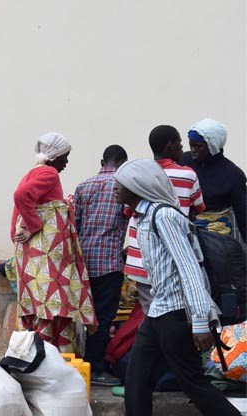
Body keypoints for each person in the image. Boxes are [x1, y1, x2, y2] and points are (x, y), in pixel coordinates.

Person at [113, 157, 247, 416]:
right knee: (136, 382)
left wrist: (200, 321)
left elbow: (189, 268)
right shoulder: (142, 217)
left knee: (194, 384)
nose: (115, 190)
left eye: (119, 185)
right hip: (158, 311)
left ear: (137, 187)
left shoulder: (164, 217)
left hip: (175, 314)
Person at [10, 132, 96, 353]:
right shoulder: (49, 173)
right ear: (55, 156)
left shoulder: (32, 172)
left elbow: (20, 205)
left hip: (34, 259)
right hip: (46, 260)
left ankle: (34, 356)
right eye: (65, 157)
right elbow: (20, 196)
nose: (66, 163)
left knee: (37, 305)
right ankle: (52, 356)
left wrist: (19, 230)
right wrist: (35, 225)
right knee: (52, 306)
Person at [123, 125, 205, 316]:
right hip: (173, 259)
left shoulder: (138, 176)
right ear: (170, 145)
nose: (183, 148)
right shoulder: (188, 175)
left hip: (141, 259)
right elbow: (198, 209)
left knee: (150, 313)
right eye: (179, 143)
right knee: (174, 315)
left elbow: (129, 211)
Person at [73, 145, 129, 386]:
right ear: (124, 163)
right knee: (104, 319)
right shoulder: (124, 187)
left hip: (83, 263)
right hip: (109, 263)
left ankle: (80, 363)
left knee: (84, 316)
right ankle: (95, 367)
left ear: (102, 160)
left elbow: (74, 224)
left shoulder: (83, 186)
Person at [181, 118, 246, 240]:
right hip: (183, 233)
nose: (193, 150)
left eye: (198, 146)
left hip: (216, 239)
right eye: (191, 145)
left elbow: (243, 217)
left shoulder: (233, 174)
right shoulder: (184, 161)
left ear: (213, 146)